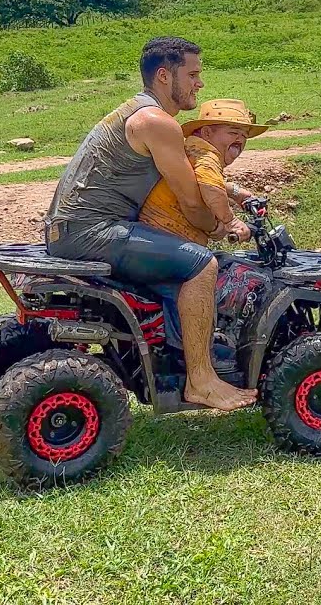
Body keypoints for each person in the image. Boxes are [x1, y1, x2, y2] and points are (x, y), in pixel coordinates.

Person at [44, 37, 256, 411]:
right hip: (93, 231)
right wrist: (220, 227)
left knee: (178, 260)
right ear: (164, 75)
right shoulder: (157, 122)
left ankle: (176, 351)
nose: (199, 84)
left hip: (71, 228)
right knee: (201, 264)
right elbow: (192, 201)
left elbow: (191, 176)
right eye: (193, 74)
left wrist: (234, 192)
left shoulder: (140, 113)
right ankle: (201, 381)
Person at [135, 98, 267, 351]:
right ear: (207, 132)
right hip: (165, 236)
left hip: (156, 235)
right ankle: (183, 351)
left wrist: (236, 192)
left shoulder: (193, 148)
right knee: (194, 282)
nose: (240, 139)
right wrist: (231, 222)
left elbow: (203, 179)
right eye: (232, 132)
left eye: (244, 134)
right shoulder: (206, 153)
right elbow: (208, 185)